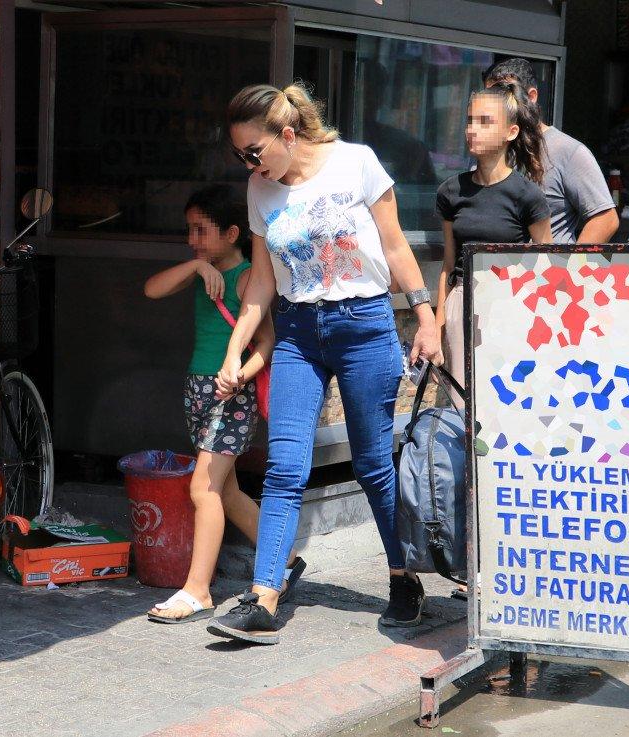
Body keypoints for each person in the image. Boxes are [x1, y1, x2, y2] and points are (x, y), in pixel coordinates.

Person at [208, 83, 443, 645]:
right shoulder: (261, 192)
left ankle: (404, 578)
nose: (249, 163)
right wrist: (234, 348)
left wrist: (426, 317)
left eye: (254, 151)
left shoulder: (355, 163)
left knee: (372, 464)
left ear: (288, 135)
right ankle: (265, 594)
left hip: (364, 324)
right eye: (240, 155)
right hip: (297, 332)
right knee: (285, 467)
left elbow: (394, 248)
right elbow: (263, 282)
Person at [142, 184, 303, 623]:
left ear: (232, 233)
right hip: (197, 388)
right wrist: (195, 266)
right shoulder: (204, 269)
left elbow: (267, 342)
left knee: (204, 488)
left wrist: (238, 378)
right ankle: (284, 562)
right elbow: (152, 289)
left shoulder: (249, 276)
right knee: (226, 492)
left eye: (202, 231)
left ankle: (198, 591)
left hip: (230, 394)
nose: (193, 239)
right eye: (189, 231)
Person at [436, 81, 552, 404]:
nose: (473, 130)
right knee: (462, 400)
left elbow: (547, 266)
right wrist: (437, 324)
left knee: (506, 399)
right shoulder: (451, 192)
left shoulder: (528, 196)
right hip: (462, 299)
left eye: (485, 122)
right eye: (471, 121)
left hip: (510, 302)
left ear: (510, 132)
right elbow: (448, 264)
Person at [481, 58, 618, 244]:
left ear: (531, 96)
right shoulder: (490, 148)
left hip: (548, 269)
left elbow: (605, 219)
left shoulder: (568, 151)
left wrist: (570, 268)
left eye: (505, 96)